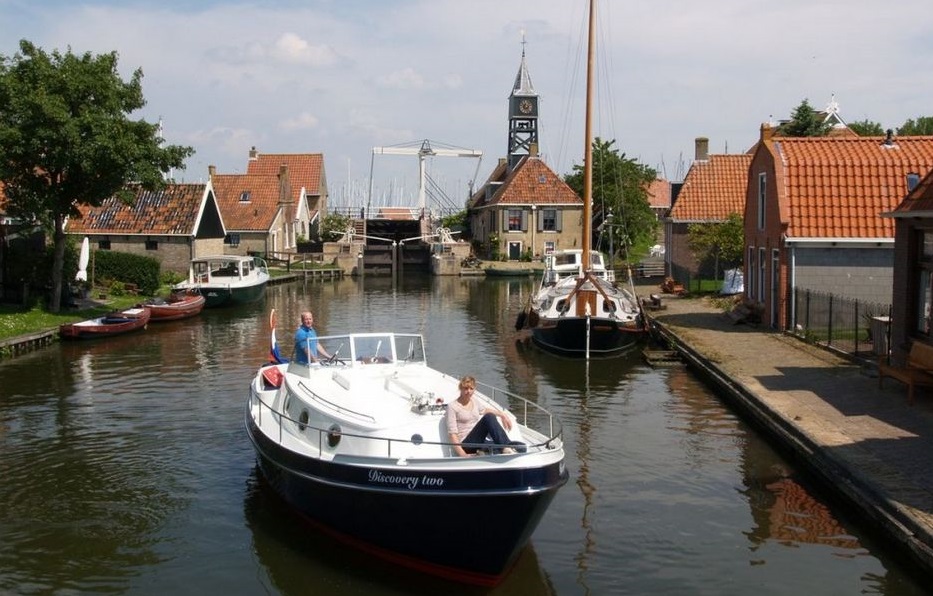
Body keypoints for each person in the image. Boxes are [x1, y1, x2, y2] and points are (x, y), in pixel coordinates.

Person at [446, 375, 523, 456]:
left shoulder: (474, 401)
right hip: (466, 444)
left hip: (479, 441)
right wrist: (463, 455)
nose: (468, 391)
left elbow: (484, 410)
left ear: (474, 389)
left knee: (520, 446)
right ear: (460, 389)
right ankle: (506, 447)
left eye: (471, 389)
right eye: (466, 388)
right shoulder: (452, 407)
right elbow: (452, 434)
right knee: (489, 417)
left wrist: (502, 415)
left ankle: (499, 449)